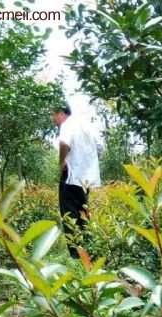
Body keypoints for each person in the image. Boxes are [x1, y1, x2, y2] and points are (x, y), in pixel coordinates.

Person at [51, 103, 101, 258]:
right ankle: (90, 250)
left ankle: (76, 255)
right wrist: (87, 164)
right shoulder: (86, 126)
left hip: (71, 176)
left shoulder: (67, 125)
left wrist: (62, 162)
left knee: (69, 215)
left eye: (53, 115)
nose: (52, 119)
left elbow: (64, 142)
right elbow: (100, 147)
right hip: (85, 179)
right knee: (83, 214)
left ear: (60, 113)